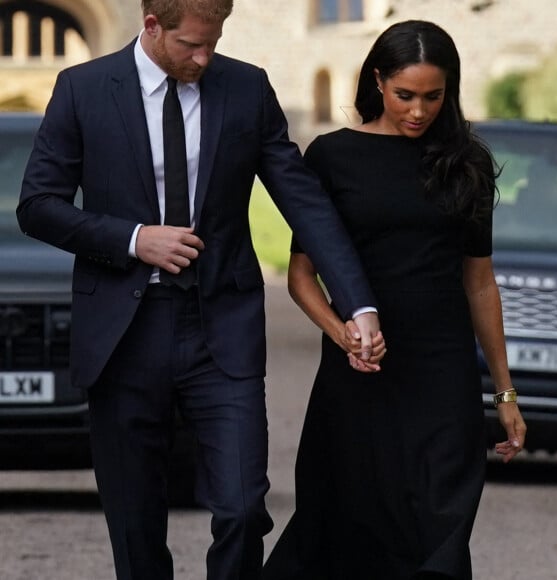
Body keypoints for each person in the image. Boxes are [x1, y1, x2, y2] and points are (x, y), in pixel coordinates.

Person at [16, 1, 385, 579]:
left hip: (221, 329)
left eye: (214, 40)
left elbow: (303, 200)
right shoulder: (82, 88)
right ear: (152, 26)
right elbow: (37, 206)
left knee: (241, 508)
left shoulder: (246, 88)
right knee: (135, 523)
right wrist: (135, 239)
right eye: (191, 44)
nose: (205, 56)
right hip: (122, 333)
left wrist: (357, 302)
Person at [262, 20, 527, 580]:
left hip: (443, 376)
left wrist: (504, 392)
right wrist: (343, 333)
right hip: (359, 377)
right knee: (346, 527)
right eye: (405, 95)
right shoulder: (334, 156)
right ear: (378, 81)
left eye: (434, 97)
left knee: (440, 529)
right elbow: (301, 276)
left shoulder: (467, 163)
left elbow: (479, 282)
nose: (418, 111)